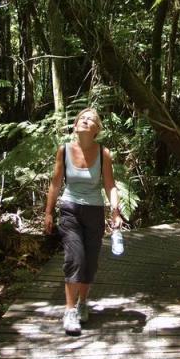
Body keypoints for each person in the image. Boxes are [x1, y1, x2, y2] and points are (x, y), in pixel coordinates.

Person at [44, 108, 123, 335]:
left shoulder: (103, 153)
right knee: (75, 258)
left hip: (94, 212)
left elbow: (109, 185)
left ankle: (82, 303)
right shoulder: (64, 151)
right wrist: (49, 212)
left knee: (90, 261)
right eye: (82, 118)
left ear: (97, 129)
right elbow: (56, 184)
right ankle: (69, 311)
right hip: (70, 209)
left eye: (91, 120)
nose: (86, 121)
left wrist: (115, 211)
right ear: (76, 125)